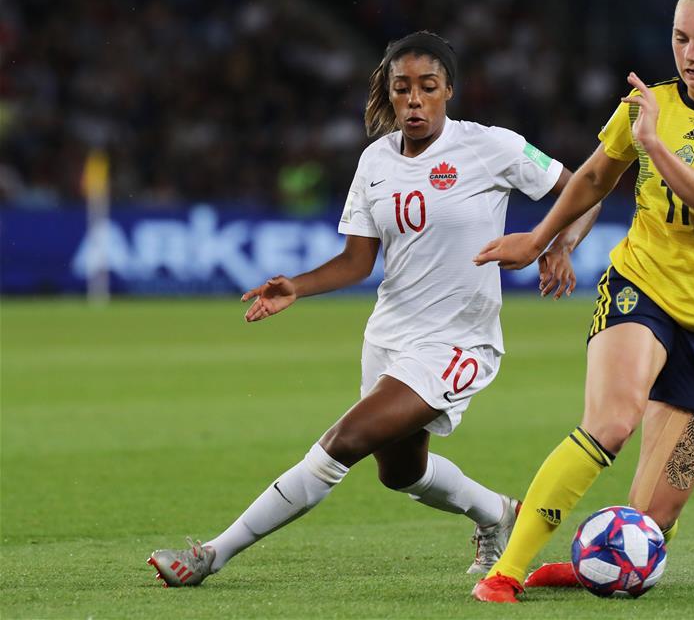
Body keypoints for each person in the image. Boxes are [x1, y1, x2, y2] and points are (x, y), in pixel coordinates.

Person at [147, 30, 597, 587]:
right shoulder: (374, 163)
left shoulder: (490, 146)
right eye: (401, 88)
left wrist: (560, 244)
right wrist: (298, 287)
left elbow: (583, 188)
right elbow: (358, 262)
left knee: (344, 443)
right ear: (388, 93)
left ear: (448, 90)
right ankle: (498, 514)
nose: (414, 99)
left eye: (427, 87)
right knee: (401, 473)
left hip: (456, 342)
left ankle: (211, 554)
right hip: (389, 337)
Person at [470, 0, 694, 603]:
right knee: (612, 422)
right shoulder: (649, 104)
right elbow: (595, 175)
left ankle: (589, 566)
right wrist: (540, 238)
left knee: (654, 521)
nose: (690, 54)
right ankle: (504, 573)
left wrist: (654, 144)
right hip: (640, 285)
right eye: (680, 38)